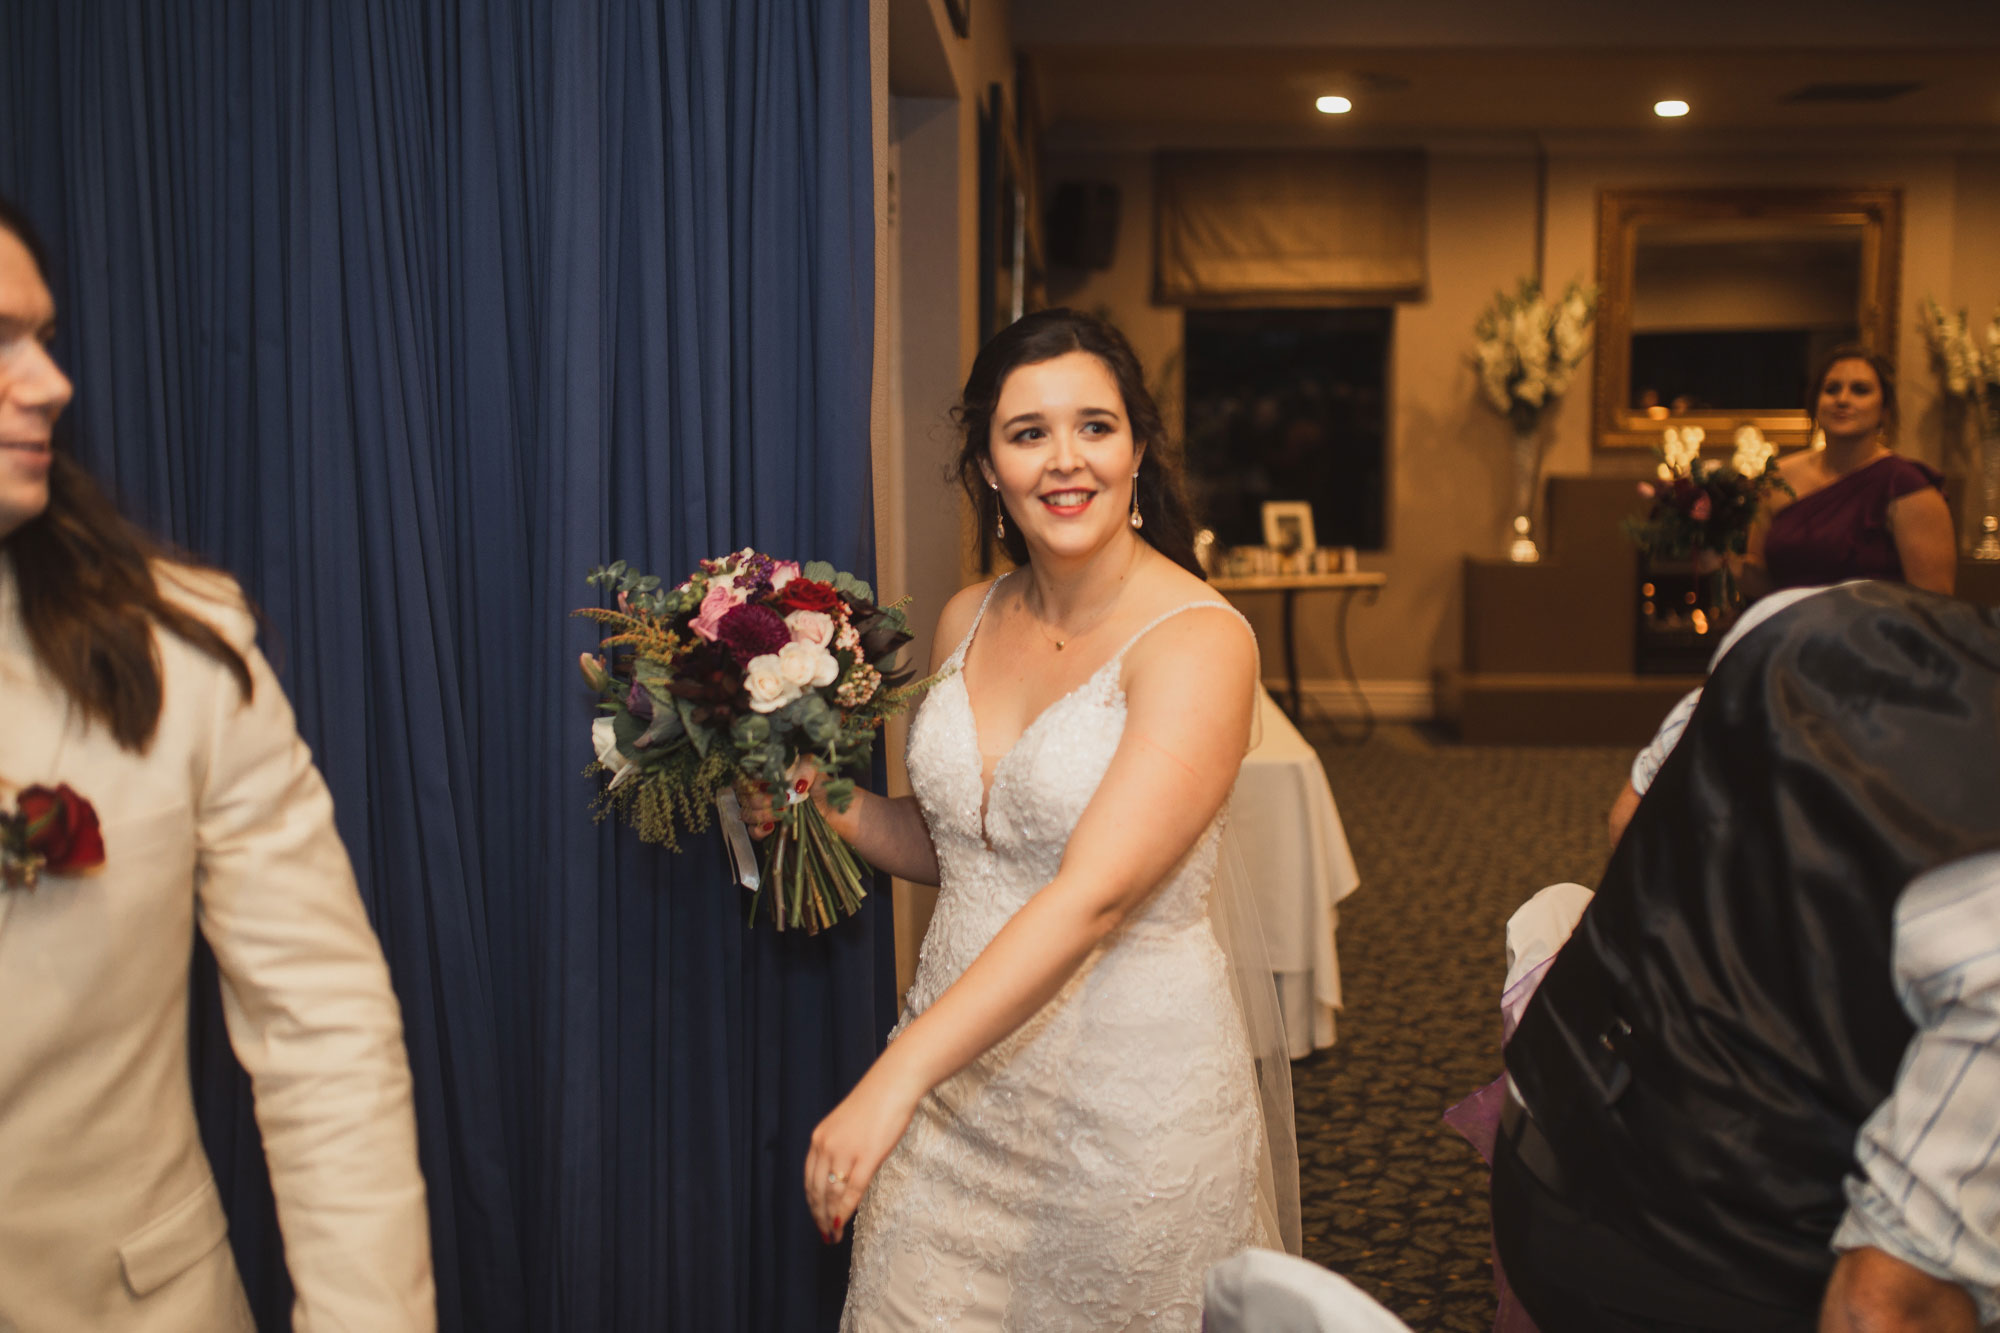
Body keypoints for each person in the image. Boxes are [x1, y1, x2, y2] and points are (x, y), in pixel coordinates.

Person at [767, 308, 1297, 1329]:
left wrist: (893, 1075)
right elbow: (960, 845)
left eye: (1094, 427)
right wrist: (803, 793)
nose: (1066, 460)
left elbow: (1090, 894)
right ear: (985, 466)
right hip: (956, 1092)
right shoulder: (969, 614)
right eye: (1027, 432)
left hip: (1122, 1113)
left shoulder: (1197, 642)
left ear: (1137, 448)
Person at [0, 197, 434, 1328]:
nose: (50, 383)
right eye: (0, 341)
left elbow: (322, 1027)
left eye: (43, 339)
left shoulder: (176, 649)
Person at [1497, 581, 2000, 1332]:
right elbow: (1882, 1307)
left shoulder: (1801, 616)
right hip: (1719, 1274)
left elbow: (1631, 816)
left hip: (1540, 1154)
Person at [1741, 346, 1956, 601]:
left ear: (1884, 410)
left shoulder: (1907, 486)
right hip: (1788, 634)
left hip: (1870, 638)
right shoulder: (1776, 477)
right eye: (1831, 389)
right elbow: (1762, 588)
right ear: (1815, 403)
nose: (1842, 399)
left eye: (1860, 390)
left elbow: (1934, 603)